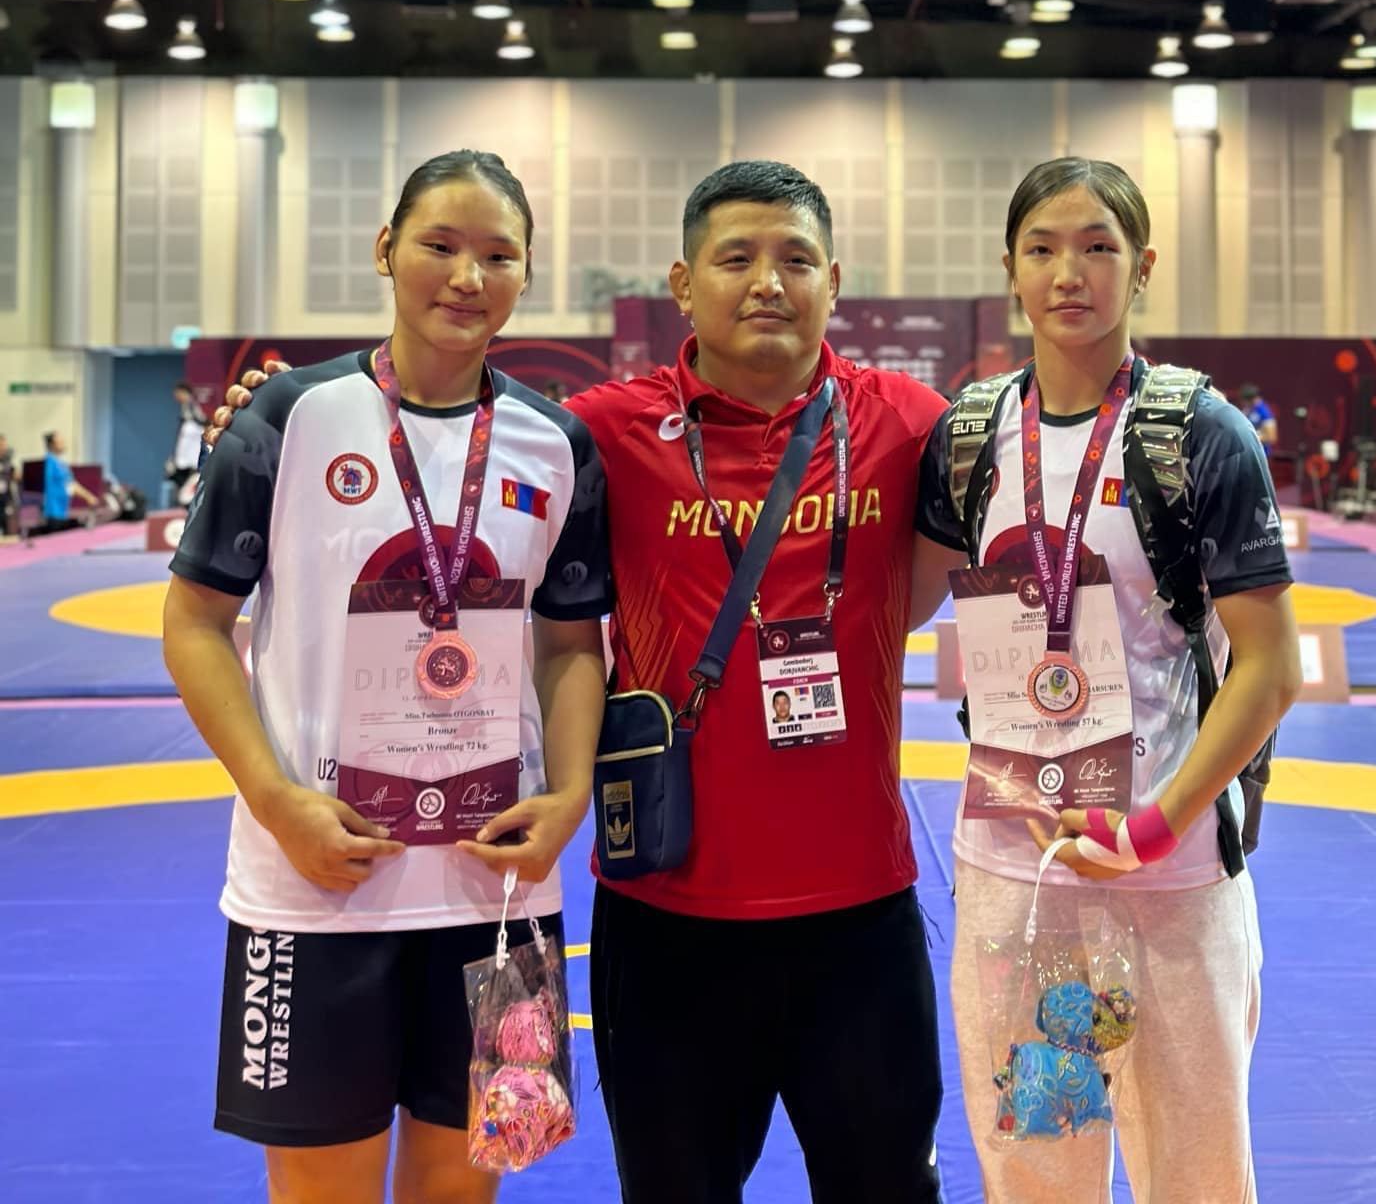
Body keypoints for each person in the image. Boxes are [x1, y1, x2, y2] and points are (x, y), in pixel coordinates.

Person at [215, 159, 960, 1204]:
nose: (767, 282)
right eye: (735, 258)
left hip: (858, 909)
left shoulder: (913, 421)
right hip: (662, 906)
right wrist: (263, 415)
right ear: (682, 282)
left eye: (796, 259)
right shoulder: (595, 432)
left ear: (834, 280)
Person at [164, 148, 610, 1204]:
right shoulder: (287, 418)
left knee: (470, 1188)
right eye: (439, 244)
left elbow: (569, 644)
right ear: (384, 249)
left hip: (502, 890)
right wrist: (276, 801)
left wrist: (570, 798)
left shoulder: (558, 443)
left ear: (527, 273)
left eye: (498, 254)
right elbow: (194, 623)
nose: (467, 275)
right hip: (315, 889)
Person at [918, 157, 1302, 1204]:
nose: (1069, 272)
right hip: (1017, 874)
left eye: (1098, 245)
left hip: (1169, 878)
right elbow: (892, 601)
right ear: (1009, 268)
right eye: (1042, 247)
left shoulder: (1199, 435)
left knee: (1196, 1176)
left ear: (1143, 267)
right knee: (1034, 1172)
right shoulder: (968, 436)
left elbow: (1271, 666)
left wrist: (1154, 828)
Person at [166, 380, 209, 506]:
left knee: (189, 490)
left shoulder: (193, 409)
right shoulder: (185, 409)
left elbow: (203, 424)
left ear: (183, 392)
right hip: (184, 458)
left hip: (193, 460)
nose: (176, 397)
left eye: (177, 394)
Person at [42, 430, 92, 531]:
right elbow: (71, 485)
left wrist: (88, 496)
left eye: (62, 441)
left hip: (62, 511)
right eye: (59, 441)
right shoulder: (49, 463)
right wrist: (88, 497)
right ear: (51, 445)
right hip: (52, 512)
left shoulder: (61, 464)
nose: (63, 443)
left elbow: (71, 485)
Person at [1237, 383, 1278, 455]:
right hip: (1248, 452)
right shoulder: (1247, 409)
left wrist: (1248, 437)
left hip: (1260, 453)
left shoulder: (1264, 412)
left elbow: (1271, 437)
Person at [0, 432, 14, 534]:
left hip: (4, 498)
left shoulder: (6, 461)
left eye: (4, 445)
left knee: (5, 524)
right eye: (1, 445)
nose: (3, 448)